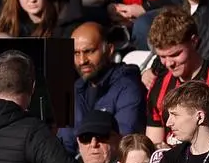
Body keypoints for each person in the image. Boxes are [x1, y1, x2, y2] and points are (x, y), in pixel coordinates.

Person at [144, 6, 209, 144]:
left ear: (193, 41)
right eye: (162, 56)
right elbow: (154, 142)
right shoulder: (158, 87)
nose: (169, 63)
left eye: (175, 54)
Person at [60, 21, 146, 152]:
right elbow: (64, 143)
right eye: (76, 53)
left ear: (109, 50)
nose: (82, 61)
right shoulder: (75, 90)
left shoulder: (127, 87)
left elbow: (123, 143)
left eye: (89, 51)